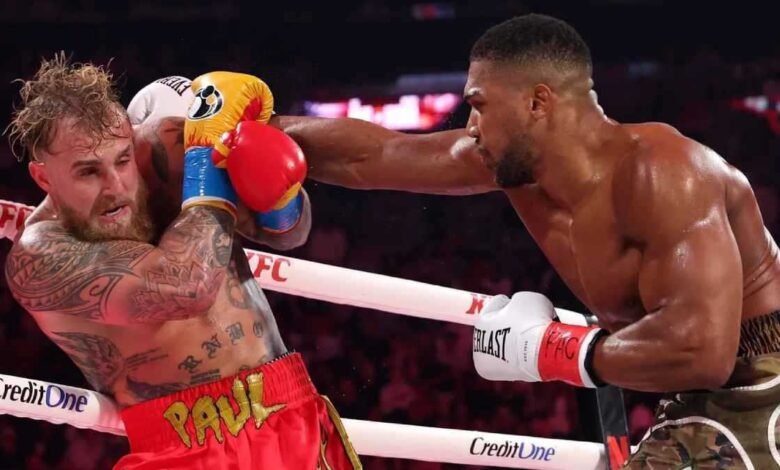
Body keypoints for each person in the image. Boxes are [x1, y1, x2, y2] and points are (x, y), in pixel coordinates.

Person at [269, 14, 780, 468]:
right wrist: (251, 132)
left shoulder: (665, 172)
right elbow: (374, 156)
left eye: (479, 105)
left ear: (537, 102)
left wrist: (551, 352)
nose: (470, 127)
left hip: (761, 382)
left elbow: (702, 351)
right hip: (695, 395)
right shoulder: (513, 169)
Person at [3, 55, 361, 469]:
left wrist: (281, 200)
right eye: (88, 172)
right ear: (43, 177)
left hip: (292, 411)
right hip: (184, 447)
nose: (115, 185)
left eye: (122, 159)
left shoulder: (164, 152)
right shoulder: (40, 256)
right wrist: (207, 162)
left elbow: (290, 235)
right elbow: (185, 288)